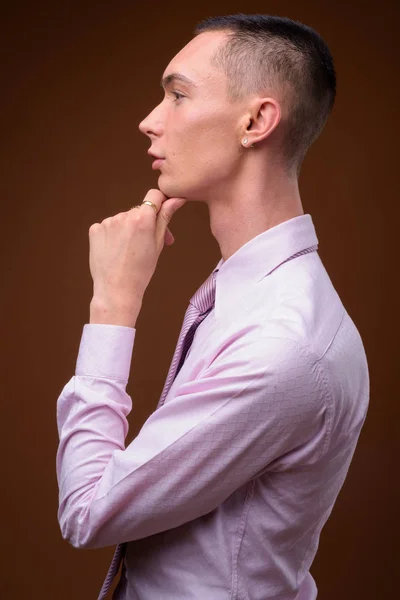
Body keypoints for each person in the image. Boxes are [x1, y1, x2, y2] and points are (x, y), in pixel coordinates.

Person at [56, 13, 370, 600]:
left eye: (177, 95)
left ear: (256, 121)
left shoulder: (282, 342)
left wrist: (112, 305)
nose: (149, 122)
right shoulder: (250, 293)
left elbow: (88, 511)